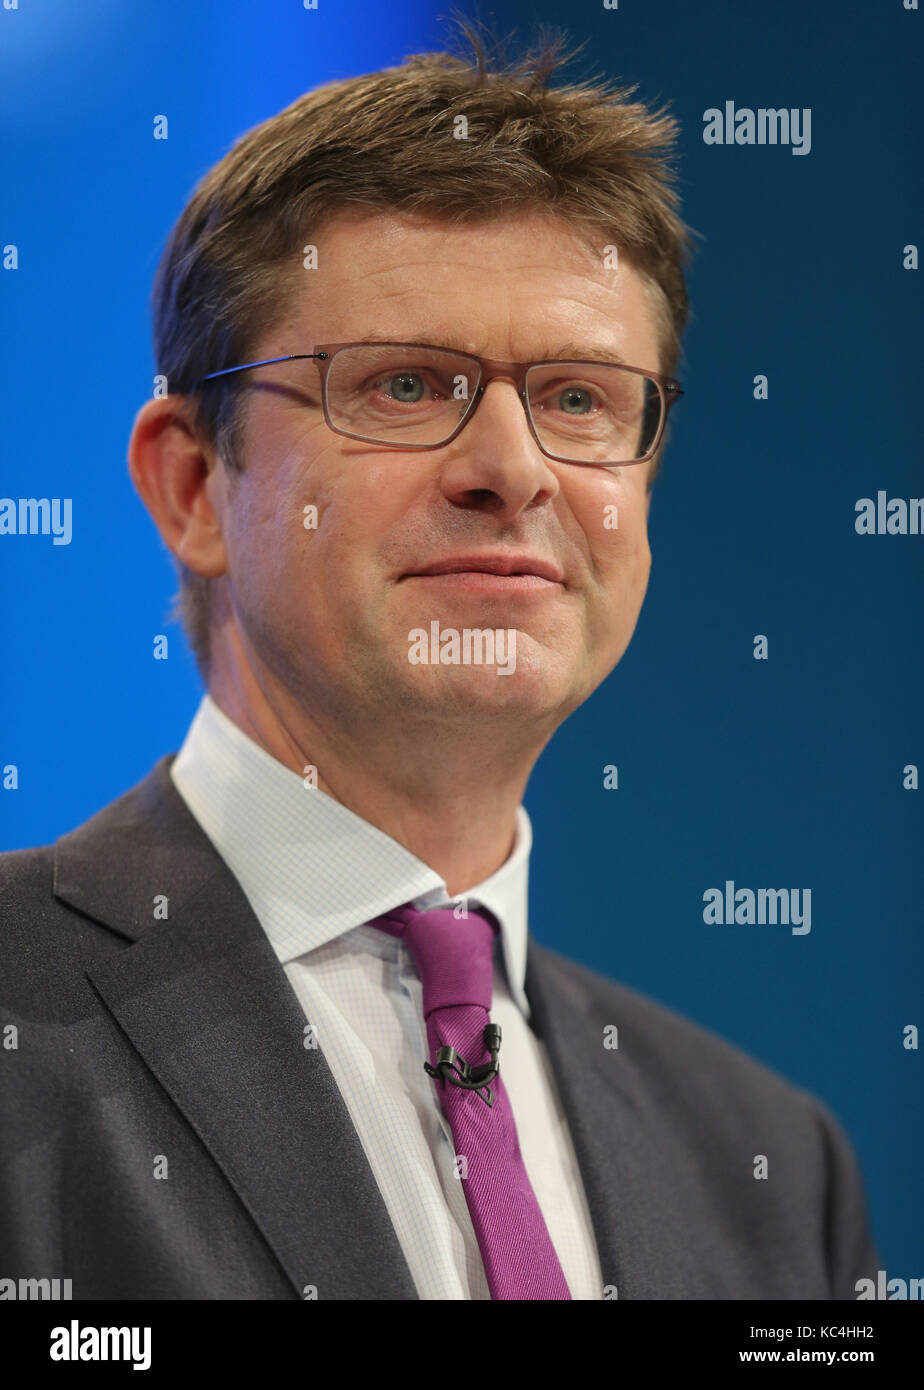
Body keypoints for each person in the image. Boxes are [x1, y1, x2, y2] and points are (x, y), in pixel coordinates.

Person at [0, 29, 879, 1300]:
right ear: (196, 485)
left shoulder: (769, 1163)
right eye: (408, 385)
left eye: (580, 398)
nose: (513, 470)